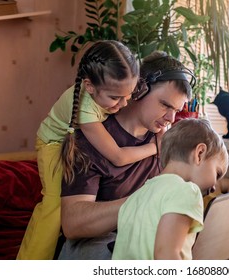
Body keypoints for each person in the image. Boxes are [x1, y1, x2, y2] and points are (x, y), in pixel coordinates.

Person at [17, 40, 157, 260]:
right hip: (53, 143)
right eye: (114, 98)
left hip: (72, 139)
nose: (122, 104)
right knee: (54, 207)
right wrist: (156, 146)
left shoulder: (113, 93)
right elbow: (118, 157)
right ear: (90, 86)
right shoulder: (84, 106)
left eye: (128, 96)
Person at [58, 51, 195, 260]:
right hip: (93, 245)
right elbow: (73, 223)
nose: (170, 118)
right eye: (165, 105)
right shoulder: (91, 138)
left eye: (176, 110)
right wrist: (142, 200)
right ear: (138, 90)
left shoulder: (162, 140)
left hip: (139, 237)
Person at [112, 118, 229, 260]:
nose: (214, 186)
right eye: (217, 173)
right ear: (199, 153)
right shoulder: (187, 191)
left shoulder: (138, 194)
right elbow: (166, 255)